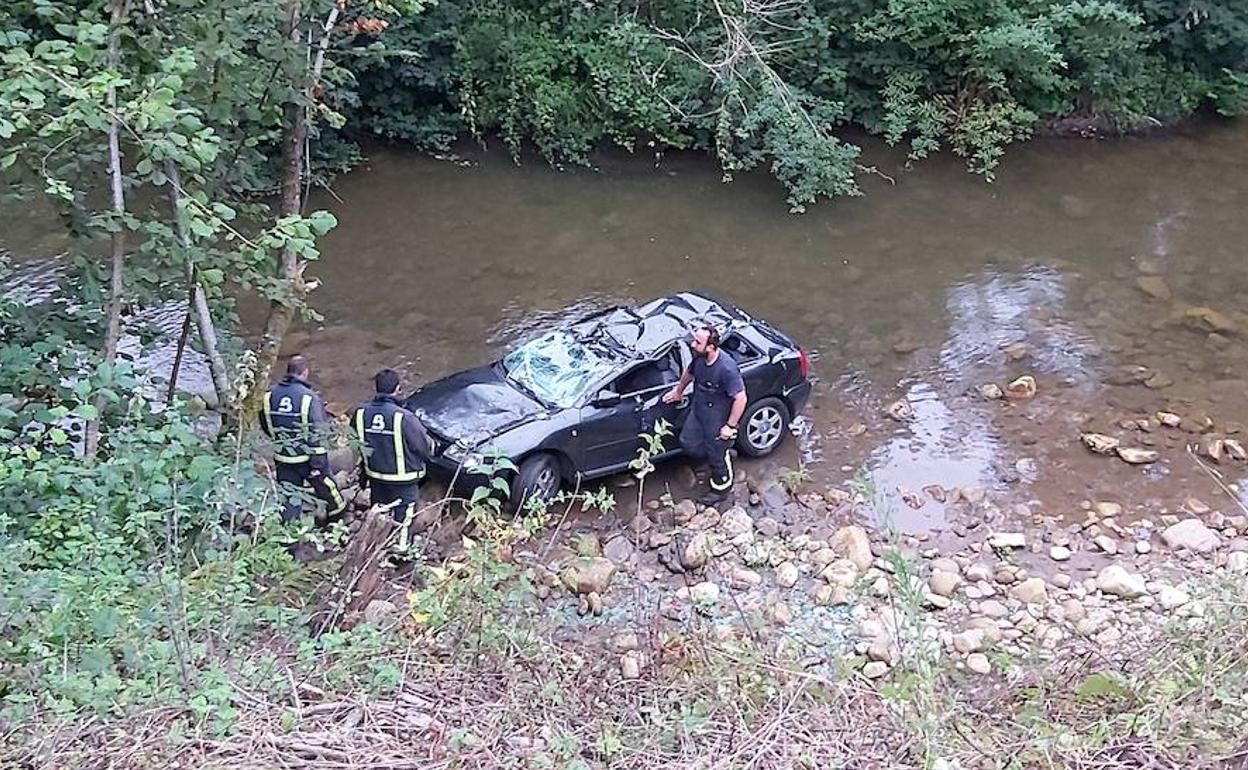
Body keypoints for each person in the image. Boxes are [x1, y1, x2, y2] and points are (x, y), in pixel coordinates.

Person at [663, 326, 748, 507]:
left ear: (710, 347)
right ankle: (714, 456)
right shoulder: (699, 358)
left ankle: (721, 489)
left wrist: (730, 426)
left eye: (698, 342)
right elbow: (689, 372)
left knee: (716, 453)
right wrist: (678, 391)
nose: (693, 344)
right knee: (688, 442)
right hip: (699, 410)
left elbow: (740, 398)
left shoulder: (726, 369)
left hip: (718, 418)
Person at [352, 369, 435, 551]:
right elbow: (423, 446)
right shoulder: (403, 417)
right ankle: (401, 554)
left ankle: (373, 547)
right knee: (404, 517)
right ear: (397, 389)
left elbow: (354, 443)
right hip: (403, 479)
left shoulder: (360, 414)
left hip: (375, 475)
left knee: (380, 512)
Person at [259, 355, 346, 523]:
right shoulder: (309, 398)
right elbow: (318, 431)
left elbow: (265, 422)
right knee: (327, 488)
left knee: (290, 497)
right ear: (305, 373)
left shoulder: (269, 395)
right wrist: (318, 463)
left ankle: (289, 539)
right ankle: (338, 517)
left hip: (283, 456)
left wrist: (278, 441)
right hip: (307, 458)